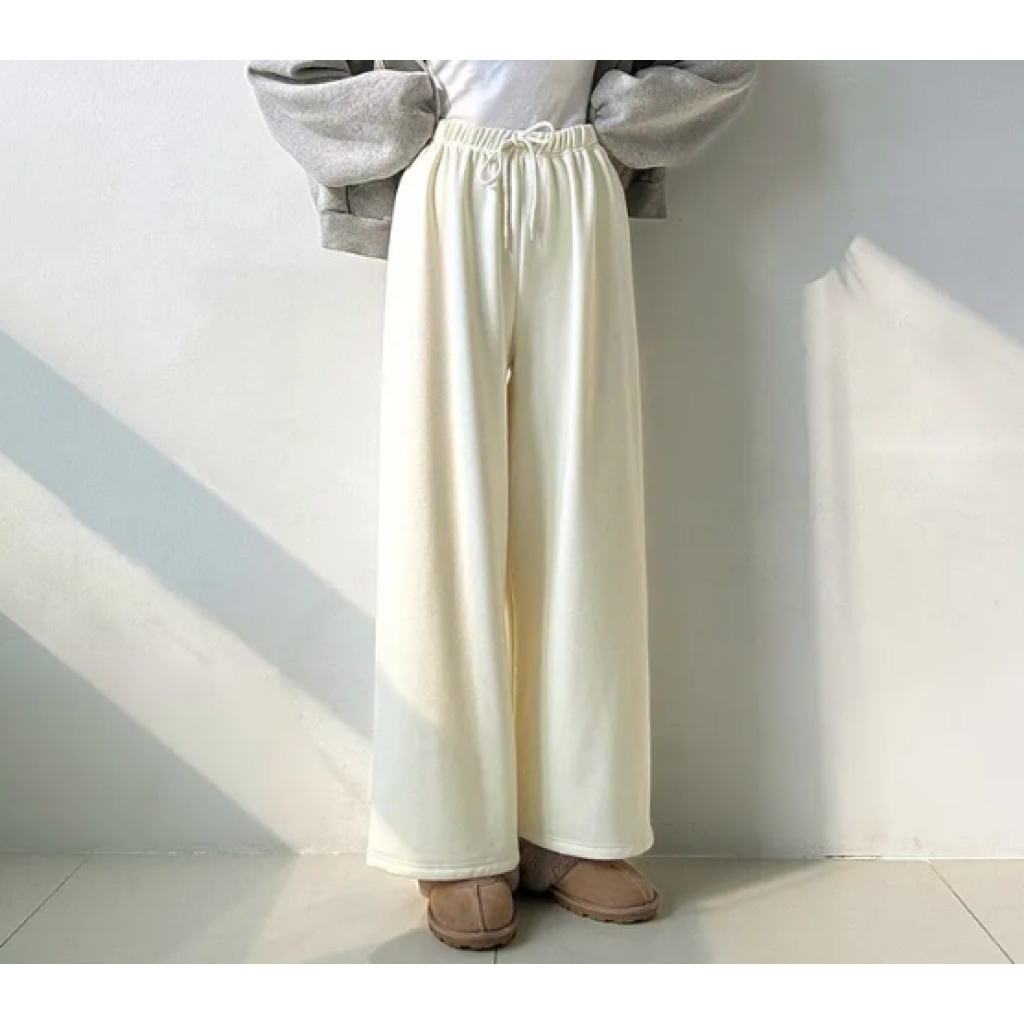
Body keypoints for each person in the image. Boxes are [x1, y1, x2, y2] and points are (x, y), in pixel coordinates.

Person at [247, 60, 756, 951]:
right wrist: (396, 124)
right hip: (445, 176)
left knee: (585, 511)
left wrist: (627, 119)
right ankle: (449, 837)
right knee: (441, 513)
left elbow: (727, 46)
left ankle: (575, 824)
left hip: (578, 176)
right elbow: (290, 60)